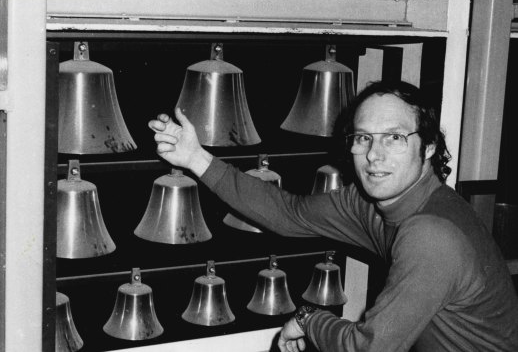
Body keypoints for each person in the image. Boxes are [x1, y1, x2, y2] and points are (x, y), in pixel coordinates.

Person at [149, 81, 518, 352]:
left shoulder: (432, 234)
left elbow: (367, 349)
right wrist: (196, 158)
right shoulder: (371, 202)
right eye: (363, 138)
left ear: (430, 146)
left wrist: (309, 319)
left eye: (394, 138)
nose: (374, 155)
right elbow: (287, 213)